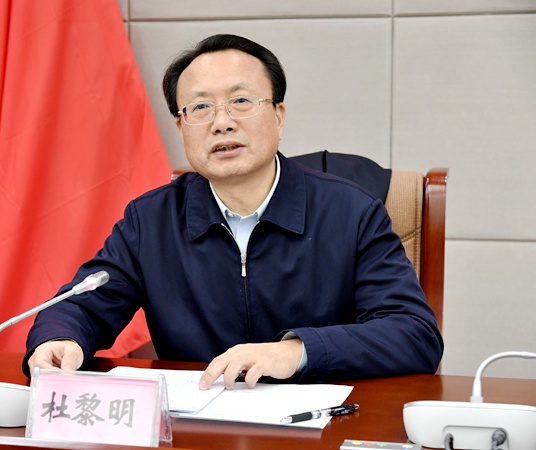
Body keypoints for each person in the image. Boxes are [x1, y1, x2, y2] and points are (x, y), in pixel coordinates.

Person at [24, 34, 443, 389]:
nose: (221, 123)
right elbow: (82, 304)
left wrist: (297, 352)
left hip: (318, 428)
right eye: (200, 107)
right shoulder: (150, 221)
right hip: (196, 430)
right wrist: (59, 339)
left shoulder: (351, 212)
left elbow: (414, 334)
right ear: (181, 127)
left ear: (278, 116)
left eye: (241, 101)